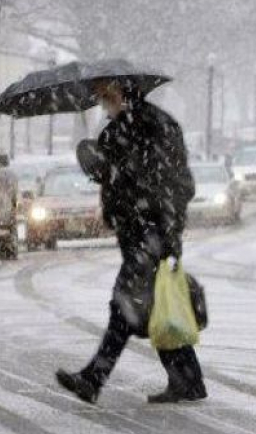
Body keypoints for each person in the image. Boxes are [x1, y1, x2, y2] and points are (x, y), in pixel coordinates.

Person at [56, 80, 206, 404]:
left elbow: (178, 185)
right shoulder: (115, 131)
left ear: (124, 91)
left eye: (105, 94)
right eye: (98, 96)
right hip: (134, 232)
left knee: (123, 306)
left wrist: (169, 234)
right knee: (154, 305)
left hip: (152, 233)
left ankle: (93, 378)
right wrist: (92, 159)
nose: (100, 100)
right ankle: (189, 380)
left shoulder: (158, 126)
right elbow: (111, 175)